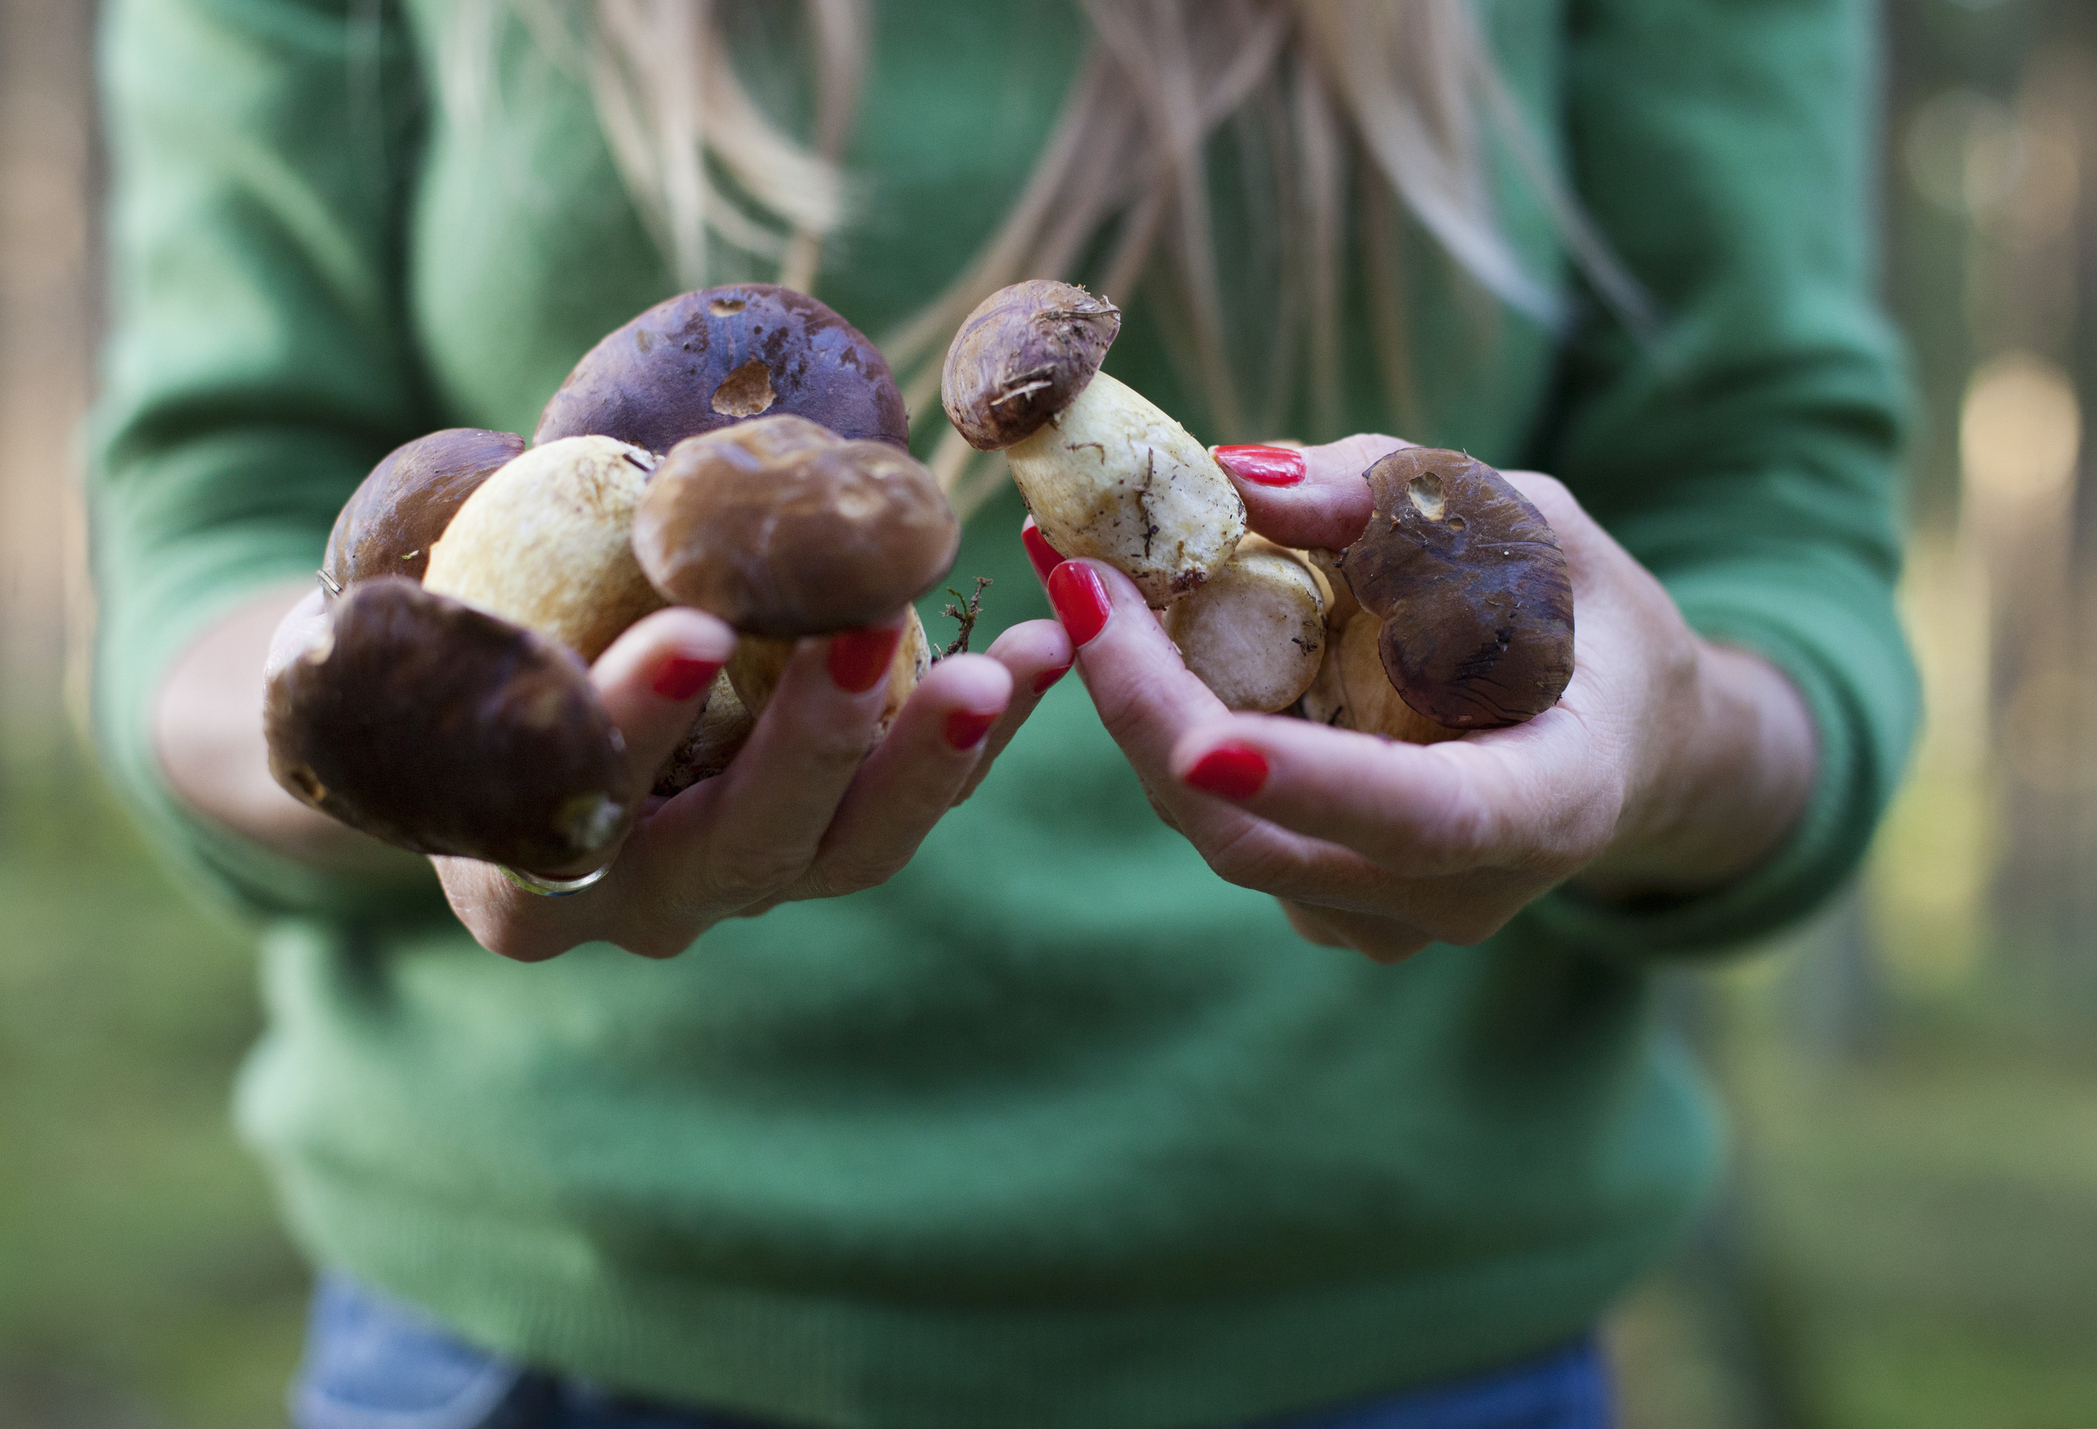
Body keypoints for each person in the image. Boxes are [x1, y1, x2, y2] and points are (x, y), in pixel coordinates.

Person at [93, 0, 1915, 1425]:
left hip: (1389, 1336)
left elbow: (1775, 532)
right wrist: (432, 752)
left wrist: (1662, 745)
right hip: (529, 1335)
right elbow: (213, 518)